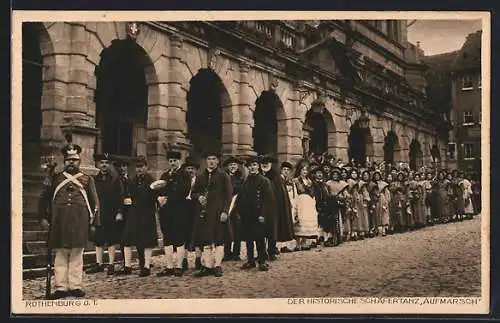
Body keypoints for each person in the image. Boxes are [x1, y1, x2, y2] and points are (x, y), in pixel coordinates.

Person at [38, 143, 100, 299]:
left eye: (74, 160)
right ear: (64, 161)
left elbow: (95, 203)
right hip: (59, 223)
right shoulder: (55, 178)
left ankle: (75, 286)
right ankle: (61, 287)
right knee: (60, 255)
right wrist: (43, 217)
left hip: (79, 223)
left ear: (79, 161)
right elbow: (44, 199)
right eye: (68, 160)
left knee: (77, 256)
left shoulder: (87, 179)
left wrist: (94, 223)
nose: (71, 163)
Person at [191, 151, 233, 277]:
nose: (211, 161)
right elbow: (193, 193)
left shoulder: (223, 176)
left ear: (218, 161)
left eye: (214, 158)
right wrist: (198, 197)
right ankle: (208, 266)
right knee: (206, 239)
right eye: (209, 158)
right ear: (206, 161)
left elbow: (228, 195)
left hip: (218, 211)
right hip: (204, 213)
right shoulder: (200, 176)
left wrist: (225, 211)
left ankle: (217, 265)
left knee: (219, 240)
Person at [119, 156, 158, 277]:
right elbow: (128, 194)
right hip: (134, 212)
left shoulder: (152, 181)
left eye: (141, 167)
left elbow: (155, 196)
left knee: (147, 241)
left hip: (147, 213)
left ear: (146, 167)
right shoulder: (132, 180)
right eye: (137, 167)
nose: (139, 169)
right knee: (127, 239)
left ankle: (146, 266)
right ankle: (127, 266)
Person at [155, 151, 192, 277]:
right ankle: (169, 266)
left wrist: (168, 198)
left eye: (175, 161)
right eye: (170, 161)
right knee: (168, 238)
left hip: (180, 210)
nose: (172, 163)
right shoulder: (164, 175)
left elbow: (184, 191)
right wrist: (159, 198)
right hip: (166, 211)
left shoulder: (185, 175)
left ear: (179, 161)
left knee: (179, 238)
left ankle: (179, 266)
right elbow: (159, 188)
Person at [86, 153, 123, 276]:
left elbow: (120, 196)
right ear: (97, 165)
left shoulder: (114, 179)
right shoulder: (94, 180)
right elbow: (90, 197)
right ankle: (99, 263)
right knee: (99, 239)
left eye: (106, 163)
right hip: (99, 214)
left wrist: (119, 212)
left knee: (111, 239)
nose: (104, 165)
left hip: (111, 213)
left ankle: (111, 264)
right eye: (101, 163)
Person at [236, 156, 274, 271]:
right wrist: (239, 211)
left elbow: (268, 200)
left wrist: (263, 214)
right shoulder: (245, 180)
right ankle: (250, 260)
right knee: (248, 239)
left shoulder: (264, 181)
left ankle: (262, 261)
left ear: (258, 166)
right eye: (250, 166)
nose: (252, 168)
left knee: (260, 238)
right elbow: (240, 197)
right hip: (247, 214)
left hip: (259, 215)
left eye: (254, 165)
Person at [260, 154, 295, 260]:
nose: (265, 165)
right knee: (260, 232)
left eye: (267, 163)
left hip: (272, 208)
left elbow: (280, 194)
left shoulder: (275, 177)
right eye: (263, 163)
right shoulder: (258, 175)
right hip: (259, 207)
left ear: (271, 164)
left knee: (271, 231)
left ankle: (271, 251)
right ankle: (262, 253)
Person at [292, 160, 318, 251]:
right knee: (299, 220)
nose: (305, 172)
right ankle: (298, 243)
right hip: (300, 201)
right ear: (299, 170)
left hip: (308, 202)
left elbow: (313, 193)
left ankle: (304, 242)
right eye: (303, 169)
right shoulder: (296, 181)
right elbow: (294, 192)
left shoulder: (310, 181)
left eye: (306, 170)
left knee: (306, 221)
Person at [222, 156, 244, 261]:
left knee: (238, 231)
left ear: (237, 166)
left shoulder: (241, 177)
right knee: (226, 230)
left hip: (238, 207)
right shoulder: (224, 177)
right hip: (227, 206)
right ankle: (227, 253)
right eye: (231, 165)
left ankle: (236, 253)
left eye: (234, 165)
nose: (232, 167)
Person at [183, 156, 203, 270]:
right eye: (188, 168)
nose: (190, 171)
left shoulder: (200, 180)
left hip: (196, 209)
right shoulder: (182, 180)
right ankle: (184, 259)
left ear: (196, 170)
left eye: (192, 168)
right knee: (185, 234)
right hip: (184, 210)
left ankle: (198, 259)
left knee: (198, 234)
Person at [114, 157, 133, 269]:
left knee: (131, 235)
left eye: (124, 166)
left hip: (131, 210)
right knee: (122, 236)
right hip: (121, 210)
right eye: (120, 166)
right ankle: (125, 261)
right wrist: (119, 211)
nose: (122, 168)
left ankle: (140, 261)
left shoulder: (130, 179)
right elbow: (116, 197)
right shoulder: (116, 181)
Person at [279, 161, 297, 253]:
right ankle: (279, 246)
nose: (286, 171)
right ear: (281, 171)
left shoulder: (289, 181)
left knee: (286, 224)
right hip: (281, 205)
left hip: (288, 204)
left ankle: (284, 245)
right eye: (284, 169)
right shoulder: (279, 180)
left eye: (287, 170)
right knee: (281, 225)